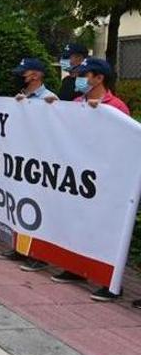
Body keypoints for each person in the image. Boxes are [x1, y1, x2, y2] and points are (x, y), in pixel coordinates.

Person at [49, 58, 130, 302]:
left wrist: (102, 115)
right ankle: (76, 269)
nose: (79, 79)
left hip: (105, 180)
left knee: (107, 230)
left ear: (99, 78)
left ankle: (112, 283)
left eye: (85, 75)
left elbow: (123, 144)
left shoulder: (116, 107)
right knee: (77, 221)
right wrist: (50, 108)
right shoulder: (75, 103)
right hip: (78, 179)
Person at [0, 58, 59, 269]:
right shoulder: (23, 98)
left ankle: (39, 255)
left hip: (41, 162)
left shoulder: (50, 99)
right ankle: (21, 248)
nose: (21, 76)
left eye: (25, 72)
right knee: (21, 202)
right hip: (22, 161)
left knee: (40, 208)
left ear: (36, 75)